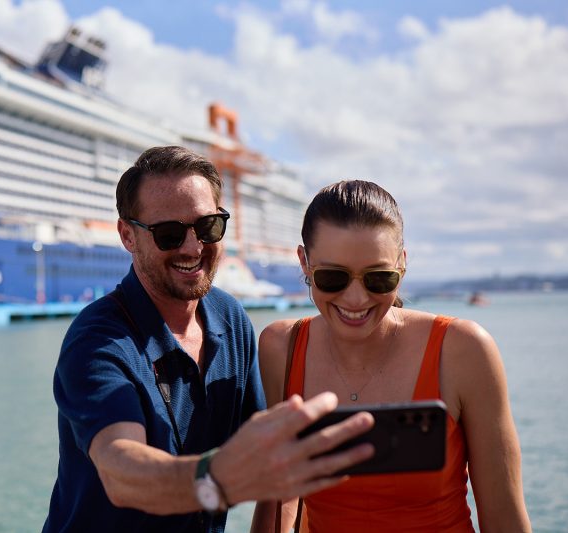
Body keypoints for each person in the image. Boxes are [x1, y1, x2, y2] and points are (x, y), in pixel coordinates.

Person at [43, 147, 376, 532]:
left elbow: (277, 455)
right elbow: (121, 470)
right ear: (127, 236)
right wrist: (216, 479)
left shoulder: (230, 318)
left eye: (208, 228)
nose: (192, 247)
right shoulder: (97, 340)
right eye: (168, 234)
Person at [258, 180, 531, 532]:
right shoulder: (281, 347)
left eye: (378, 279)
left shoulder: (463, 349)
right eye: (333, 277)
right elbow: (278, 502)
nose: (356, 300)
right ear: (304, 263)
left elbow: (504, 518)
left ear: (402, 265)